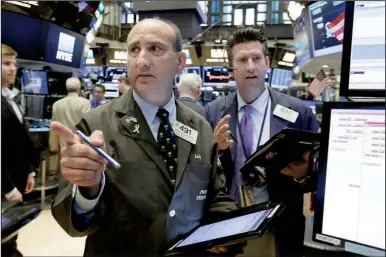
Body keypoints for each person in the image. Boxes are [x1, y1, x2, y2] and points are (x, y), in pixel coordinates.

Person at [50, 18, 238, 257]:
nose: (142, 61)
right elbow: (74, 223)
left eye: (155, 49)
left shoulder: (199, 128)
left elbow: (214, 195)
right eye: (134, 50)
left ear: (180, 62)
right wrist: (88, 190)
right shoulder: (96, 125)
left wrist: (226, 225)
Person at [204, 27, 319, 257]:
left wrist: (304, 174)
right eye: (242, 60)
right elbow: (203, 175)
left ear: (267, 62)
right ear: (232, 69)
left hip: (280, 227)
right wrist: (216, 153)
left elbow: (320, 173)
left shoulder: (297, 112)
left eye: (256, 58)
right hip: (229, 228)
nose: (250, 66)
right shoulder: (212, 113)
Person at [1, 44, 38, 257]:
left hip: (16, 178)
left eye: (14, 64)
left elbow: (21, 141)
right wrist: (8, 188)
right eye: (6, 64)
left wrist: (30, 171)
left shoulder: (10, 97)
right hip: (4, 185)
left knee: (10, 237)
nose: (13, 69)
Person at [49, 77, 91, 152]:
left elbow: (54, 127)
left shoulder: (57, 104)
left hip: (64, 146)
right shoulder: (85, 103)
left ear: (66, 88)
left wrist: (54, 145)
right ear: (79, 88)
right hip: (80, 145)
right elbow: (88, 124)